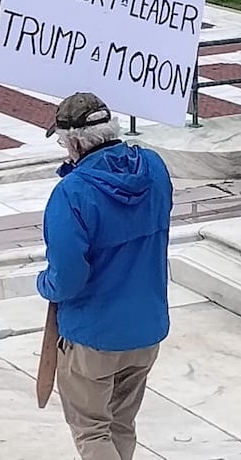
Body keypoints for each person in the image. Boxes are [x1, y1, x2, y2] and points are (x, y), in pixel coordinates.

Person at [37, 92, 173, 460]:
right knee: (121, 424)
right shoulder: (155, 168)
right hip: (146, 330)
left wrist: (42, 282)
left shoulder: (72, 194)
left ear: (75, 142)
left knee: (93, 431)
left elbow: (66, 279)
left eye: (64, 141)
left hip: (93, 335)